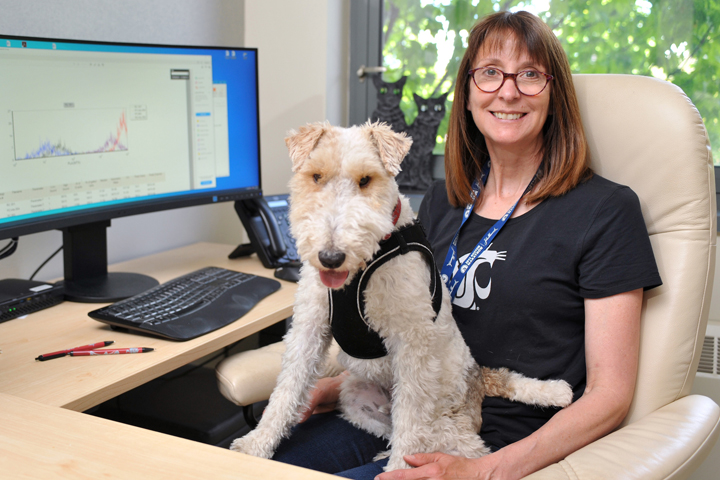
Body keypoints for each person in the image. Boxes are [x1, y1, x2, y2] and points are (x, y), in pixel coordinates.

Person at [272, 10, 662, 480]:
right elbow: (410, 336)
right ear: (469, 93)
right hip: (394, 414)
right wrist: (338, 386)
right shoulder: (444, 199)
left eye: (531, 75)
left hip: (494, 443)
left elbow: (609, 397)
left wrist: (486, 471)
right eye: (490, 73)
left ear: (555, 95)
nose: (509, 90)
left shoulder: (605, 211)